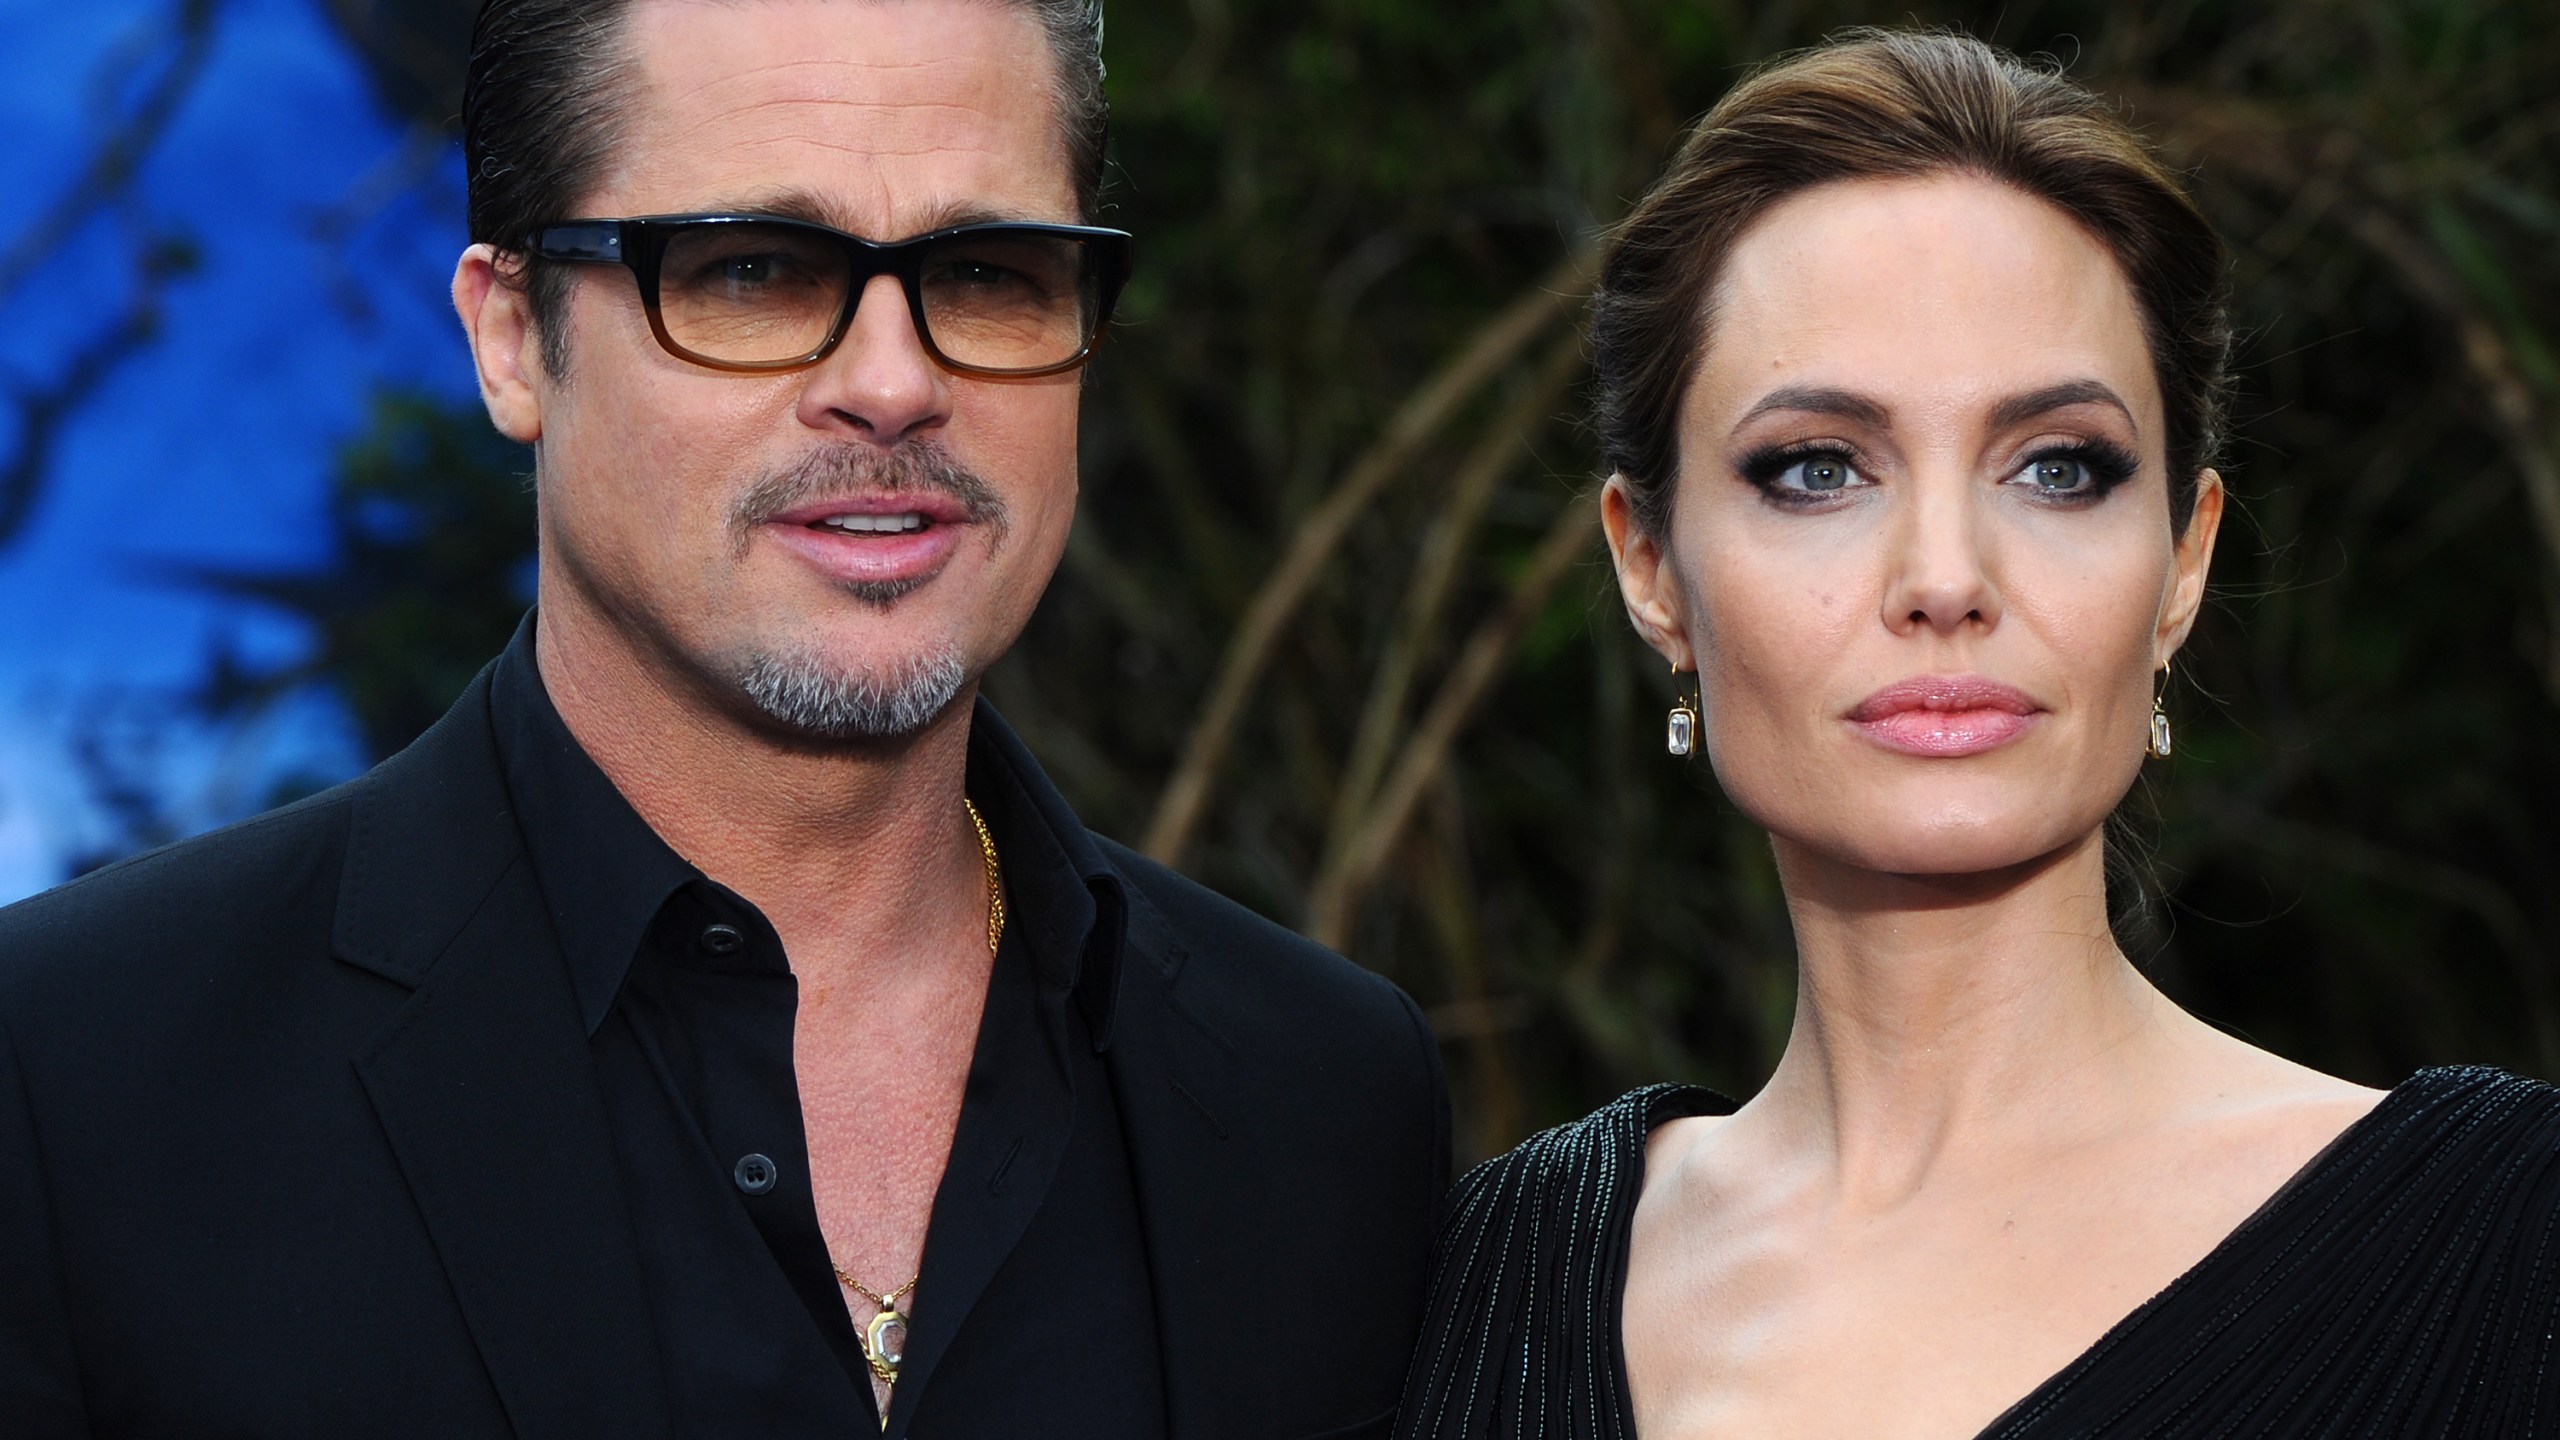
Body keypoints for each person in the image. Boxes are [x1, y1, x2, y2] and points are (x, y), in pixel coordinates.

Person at [0, 2, 1449, 1436]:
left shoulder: (1324, 1101)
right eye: (753, 271)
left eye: (991, 272)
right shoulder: (80, 1084)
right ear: (514, 342)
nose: (895, 384)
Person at [1396, 28, 2560, 1440]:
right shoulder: (1479, 1282)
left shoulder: (2507, 1252)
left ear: (2183, 563)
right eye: (1816, 469)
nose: (1945, 578)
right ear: (1650, 567)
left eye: (2057, 468)